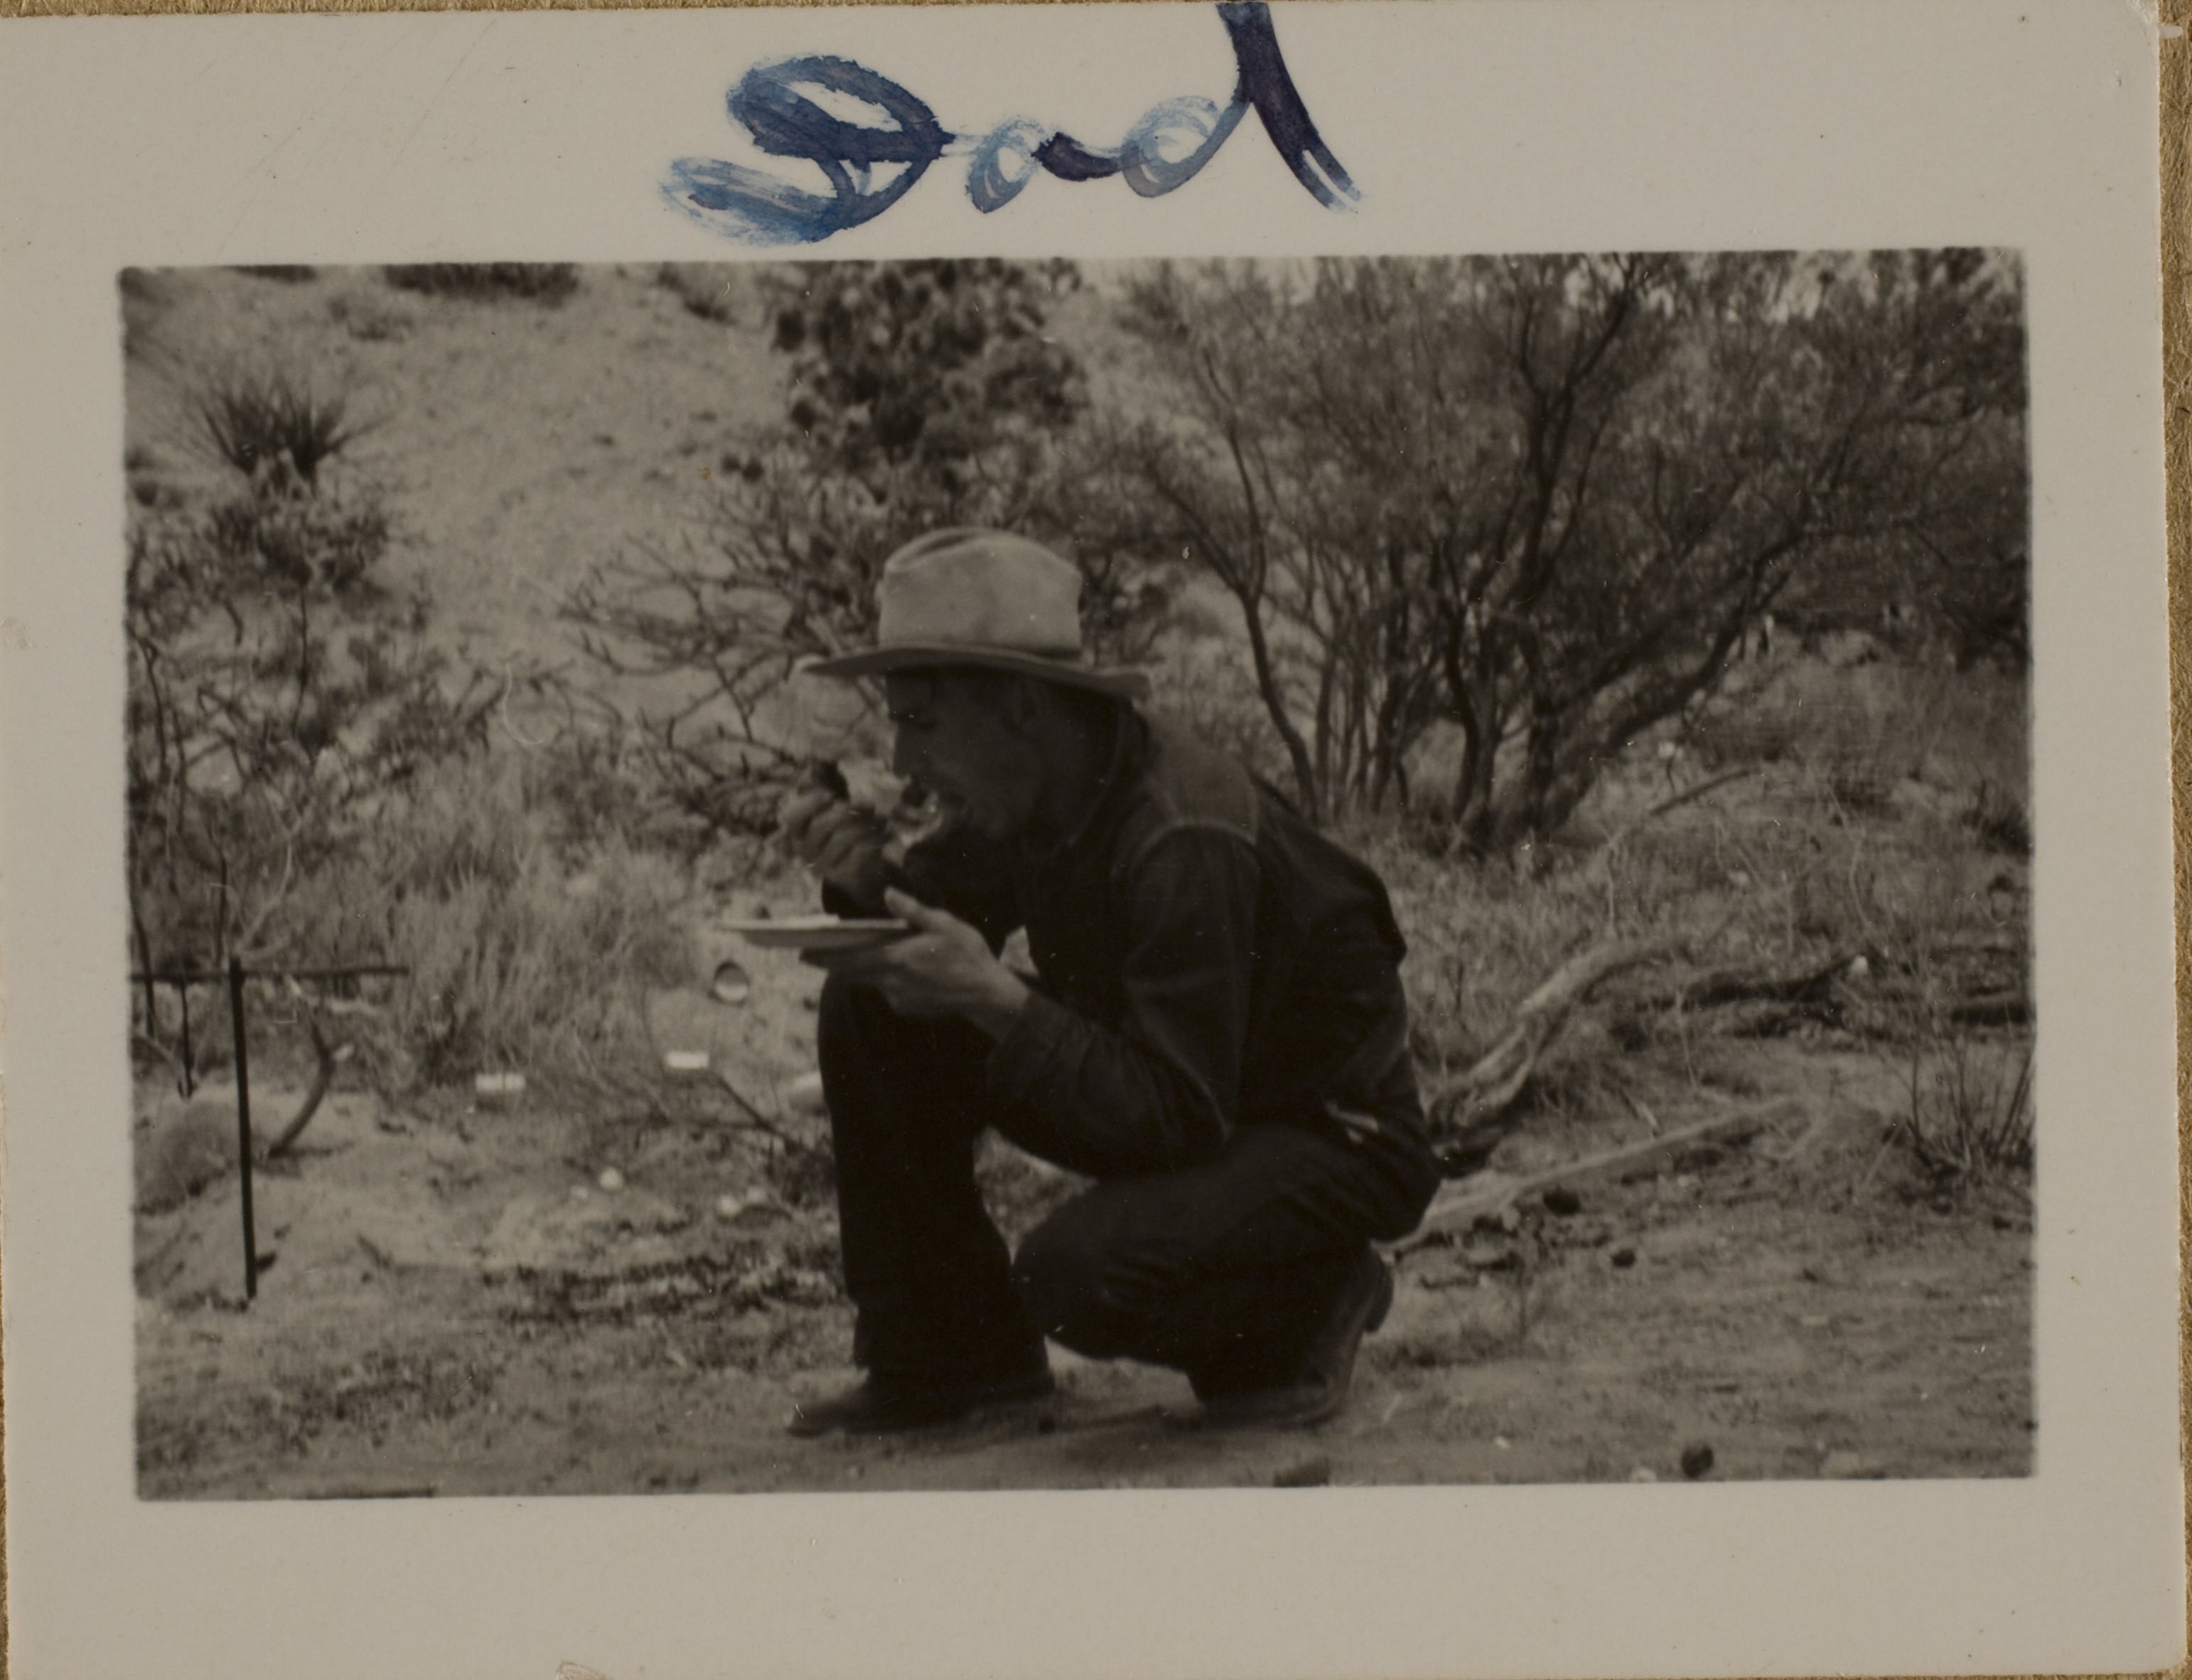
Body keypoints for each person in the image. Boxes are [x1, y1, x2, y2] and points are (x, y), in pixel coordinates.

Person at [776, 527, 1440, 1436]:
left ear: (1017, 707)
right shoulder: (1037, 786)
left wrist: (998, 1001)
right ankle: (949, 1359)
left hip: (1326, 1138)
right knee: (874, 998)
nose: (899, 761)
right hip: (1193, 1108)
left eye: (921, 721)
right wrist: (859, 873)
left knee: (1075, 1278)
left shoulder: (1180, 833)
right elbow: (930, 914)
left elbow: (1180, 1113)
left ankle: (1310, 1302)